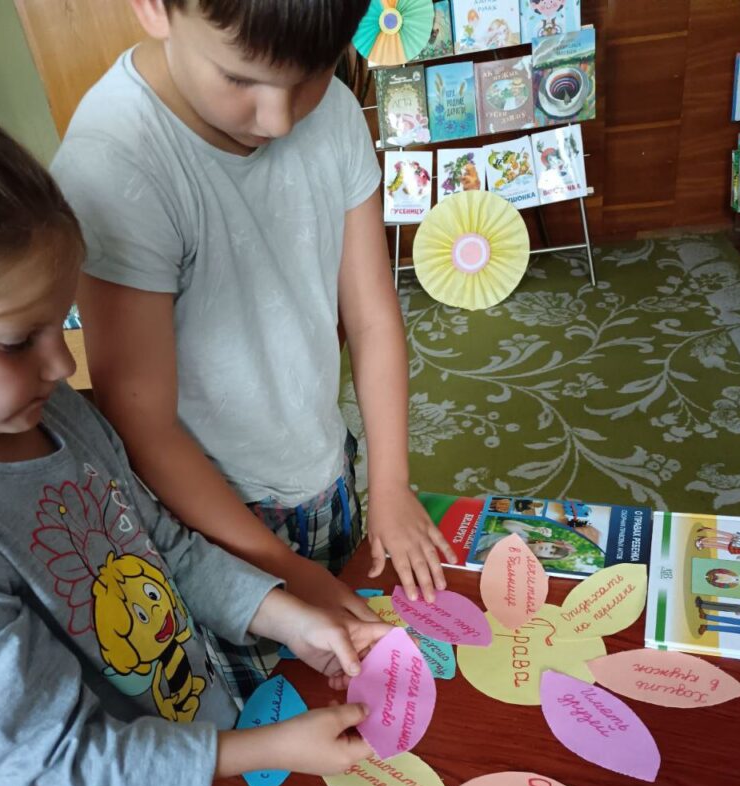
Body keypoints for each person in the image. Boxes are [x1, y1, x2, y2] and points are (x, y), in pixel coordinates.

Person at [0, 116, 390, 786]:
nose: (62, 366)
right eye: (20, 341)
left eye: (60, 326)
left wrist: (289, 618)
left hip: (208, 747)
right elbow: (62, 754)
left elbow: (163, 548)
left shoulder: (61, 416)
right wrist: (266, 751)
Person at [51, 0, 455, 697]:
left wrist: (388, 482)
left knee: (352, 687)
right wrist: (280, 570)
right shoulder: (115, 163)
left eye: (310, 76)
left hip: (323, 469)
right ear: (155, 9)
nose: (280, 120)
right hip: (208, 526)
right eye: (241, 79)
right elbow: (141, 424)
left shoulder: (331, 110)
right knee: (263, 709)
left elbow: (371, 316)